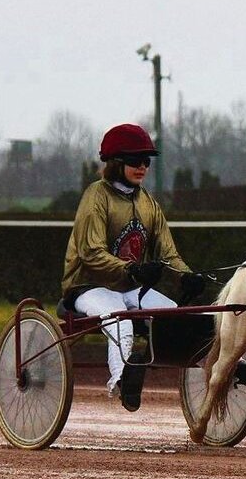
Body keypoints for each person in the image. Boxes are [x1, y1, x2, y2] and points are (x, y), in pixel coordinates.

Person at [61, 123, 205, 411]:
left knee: (181, 318)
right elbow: (91, 253)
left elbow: (168, 254)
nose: (142, 167)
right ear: (116, 163)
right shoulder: (96, 196)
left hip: (131, 288)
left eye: (146, 161)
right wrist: (131, 270)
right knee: (120, 321)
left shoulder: (149, 203)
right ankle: (123, 376)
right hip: (87, 286)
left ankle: (230, 368)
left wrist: (186, 276)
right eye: (135, 161)